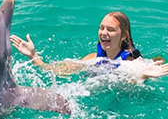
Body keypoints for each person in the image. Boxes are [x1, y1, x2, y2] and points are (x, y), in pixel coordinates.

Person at [10, 11, 168, 80]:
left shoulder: (134, 63)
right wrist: (33, 56)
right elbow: (57, 71)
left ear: (124, 35)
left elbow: (132, 82)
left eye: (111, 30)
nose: (104, 33)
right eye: (101, 28)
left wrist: (144, 76)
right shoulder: (92, 58)